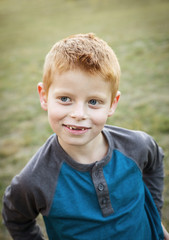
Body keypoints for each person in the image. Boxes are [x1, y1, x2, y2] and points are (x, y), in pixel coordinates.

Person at [2, 33, 169, 240]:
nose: (79, 114)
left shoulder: (137, 146)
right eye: (65, 98)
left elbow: (154, 162)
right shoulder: (35, 180)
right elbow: (15, 217)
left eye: (93, 101)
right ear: (44, 96)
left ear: (112, 103)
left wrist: (153, 215)